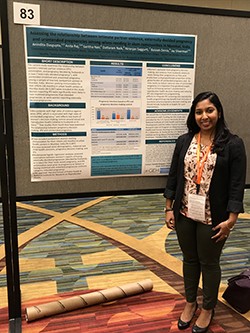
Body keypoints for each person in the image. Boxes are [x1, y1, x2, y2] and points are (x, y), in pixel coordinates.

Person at [164, 91, 247, 333]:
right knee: (189, 260)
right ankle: (190, 304)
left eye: (209, 110)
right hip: (185, 211)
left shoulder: (233, 144)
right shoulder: (184, 141)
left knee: (209, 263)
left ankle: (208, 308)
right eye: (199, 112)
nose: (204, 116)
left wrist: (231, 219)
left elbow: (236, 184)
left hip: (214, 216)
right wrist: (169, 207)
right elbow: (173, 177)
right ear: (194, 115)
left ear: (218, 112)